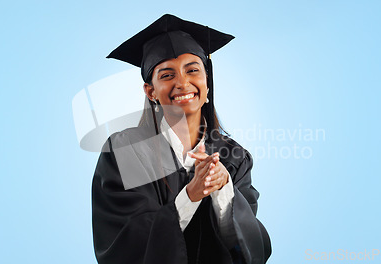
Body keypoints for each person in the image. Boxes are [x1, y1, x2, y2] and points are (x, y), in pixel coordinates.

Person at [92, 14, 271, 264]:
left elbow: (251, 251)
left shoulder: (234, 158)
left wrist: (222, 190)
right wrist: (191, 195)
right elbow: (124, 244)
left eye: (193, 70)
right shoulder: (125, 151)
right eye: (167, 75)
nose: (183, 83)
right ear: (150, 91)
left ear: (207, 82)